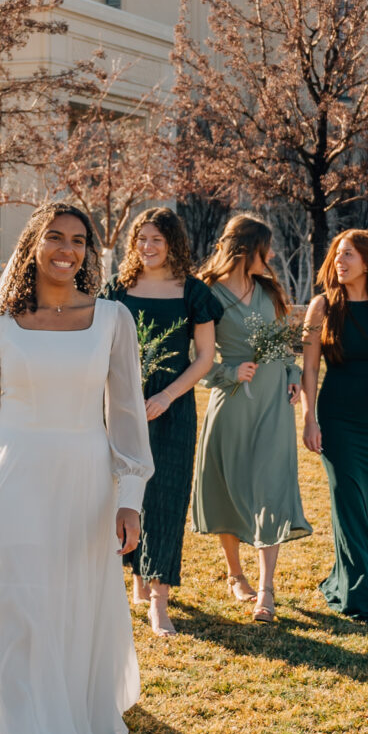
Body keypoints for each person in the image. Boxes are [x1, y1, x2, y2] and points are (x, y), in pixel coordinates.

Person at [0, 200, 150, 734]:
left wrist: (131, 497)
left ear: (90, 252)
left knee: (71, 604)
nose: (68, 250)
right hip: (13, 480)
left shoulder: (113, 320)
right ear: (33, 245)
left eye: (80, 240)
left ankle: (73, 715)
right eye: (55, 238)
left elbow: (126, 417)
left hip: (85, 481)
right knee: (18, 612)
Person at [102, 207, 219, 637]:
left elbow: (205, 357)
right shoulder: (116, 289)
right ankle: (134, 576)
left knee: (166, 499)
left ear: (173, 244)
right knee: (124, 492)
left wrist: (168, 395)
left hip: (173, 409)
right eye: (141, 239)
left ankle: (159, 602)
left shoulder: (194, 292)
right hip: (119, 406)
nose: (147, 248)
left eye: (157, 240)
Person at [190, 214, 309, 621]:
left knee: (269, 489)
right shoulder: (206, 293)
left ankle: (266, 590)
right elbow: (197, 358)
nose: (272, 255)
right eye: (266, 248)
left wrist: (293, 377)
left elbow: (284, 345)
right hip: (235, 401)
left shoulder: (269, 290)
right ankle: (235, 573)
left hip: (275, 404)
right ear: (247, 249)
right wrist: (227, 373)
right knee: (231, 486)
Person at [301, 229, 368, 621]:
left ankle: (344, 578)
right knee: (348, 502)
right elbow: (310, 367)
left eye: (348, 255)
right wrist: (309, 418)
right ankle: (362, 596)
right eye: (337, 255)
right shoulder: (322, 306)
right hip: (337, 415)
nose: (339, 262)